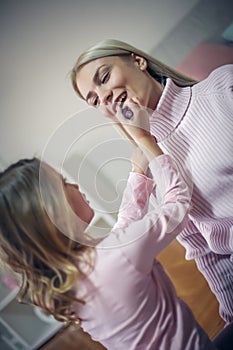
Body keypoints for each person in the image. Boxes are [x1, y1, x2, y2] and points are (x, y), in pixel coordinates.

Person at [0, 109, 216, 349]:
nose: (75, 184)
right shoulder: (119, 254)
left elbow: (125, 226)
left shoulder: (71, 277)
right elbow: (177, 204)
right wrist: (146, 143)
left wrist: (137, 171)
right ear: (53, 211)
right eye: (64, 183)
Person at [70, 38, 233, 325]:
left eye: (105, 77)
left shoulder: (222, 89)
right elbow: (204, 248)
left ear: (138, 61)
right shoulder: (153, 166)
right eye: (94, 99)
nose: (104, 96)